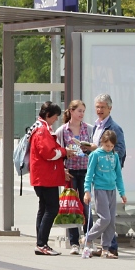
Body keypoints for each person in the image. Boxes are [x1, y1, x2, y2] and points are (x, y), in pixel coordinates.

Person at [29, 101, 77, 256]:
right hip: (46, 177)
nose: (56, 119)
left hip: (41, 176)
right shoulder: (42, 131)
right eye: (55, 116)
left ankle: (40, 242)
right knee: (51, 209)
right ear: (48, 115)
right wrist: (64, 152)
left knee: (43, 209)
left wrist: (61, 152)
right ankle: (41, 243)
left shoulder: (39, 128)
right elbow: (49, 153)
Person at [84, 94, 126, 256]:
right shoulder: (97, 126)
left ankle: (107, 247)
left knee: (109, 219)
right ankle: (104, 246)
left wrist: (104, 153)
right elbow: (93, 164)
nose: (99, 110)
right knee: (105, 217)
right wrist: (91, 150)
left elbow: (120, 150)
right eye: (97, 107)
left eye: (103, 107)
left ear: (110, 108)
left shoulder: (113, 128)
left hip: (110, 181)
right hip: (100, 182)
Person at [55, 100, 93, 254]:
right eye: (79, 111)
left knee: (85, 205)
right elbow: (58, 152)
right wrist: (62, 169)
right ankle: (74, 242)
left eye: (83, 111)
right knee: (71, 205)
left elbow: (94, 148)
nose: (81, 114)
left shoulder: (89, 129)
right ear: (71, 111)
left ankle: (88, 239)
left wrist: (87, 148)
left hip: (85, 169)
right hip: (70, 170)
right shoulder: (62, 130)